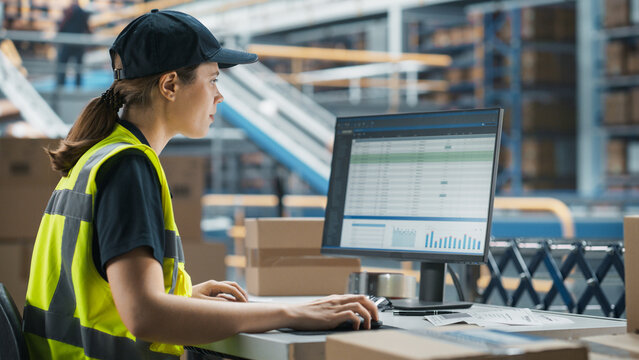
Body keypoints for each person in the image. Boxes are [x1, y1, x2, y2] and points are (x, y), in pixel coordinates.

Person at [23, 9, 377, 360]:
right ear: (170, 85)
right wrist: (293, 313)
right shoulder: (128, 166)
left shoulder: (100, 155)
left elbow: (103, 295)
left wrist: (181, 295)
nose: (219, 96)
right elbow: (145, 316)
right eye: (213, 80)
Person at [56, 1, 90, 88]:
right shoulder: (82, 13)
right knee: (78, 67)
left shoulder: (68, 12)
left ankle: (61, 85)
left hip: (67, 43)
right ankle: (78, 87)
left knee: (63, 65)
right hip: (78, 43)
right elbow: (87, 29)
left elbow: (61, 27)